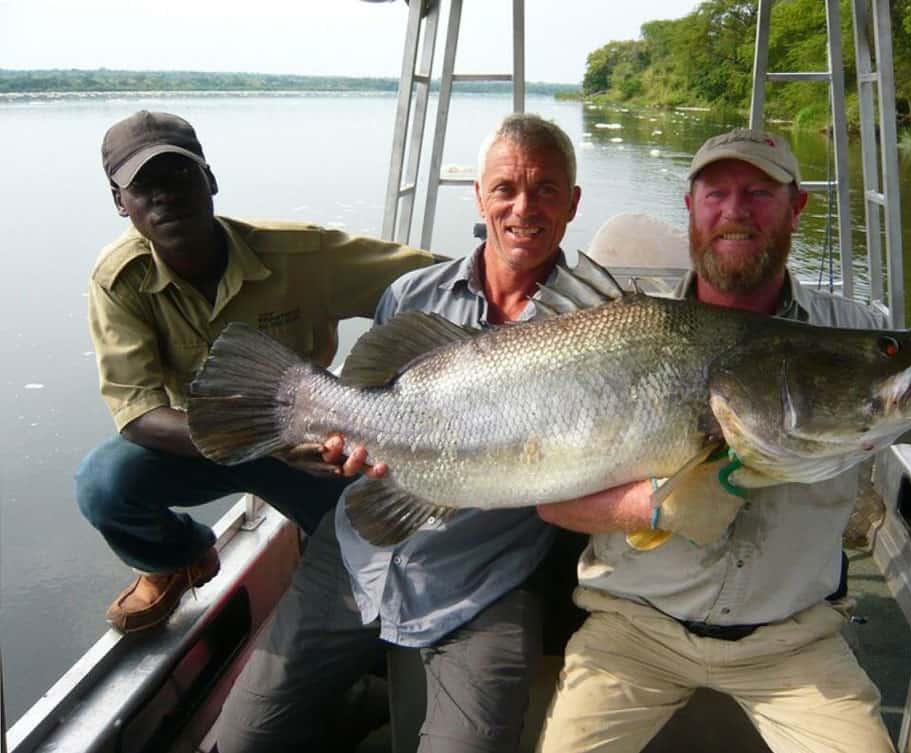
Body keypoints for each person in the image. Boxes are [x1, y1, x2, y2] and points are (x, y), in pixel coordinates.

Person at [532, 128, 911, 753]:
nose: (735, 211)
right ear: (690, 208)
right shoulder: (615, 338)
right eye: (716, 194)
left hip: (795, 644)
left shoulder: (856, 334)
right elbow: (552, 501)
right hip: (632, 631)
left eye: (758, 192)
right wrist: (660, 504)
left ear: (796, 207)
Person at [215, 113, 588, 753]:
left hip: (484, 578)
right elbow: (370, 399)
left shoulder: (593, 322)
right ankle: (360, 699)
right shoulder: (413, 293)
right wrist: (334, 448)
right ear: (479, 195)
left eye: (547, 189)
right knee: (243, 740)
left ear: (573, 202)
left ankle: (365, 699)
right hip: (359, 548)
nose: (524, 208)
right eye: (506, 188)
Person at [76, 110, 434, 634]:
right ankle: (178, 558)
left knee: (374, 554)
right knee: (103, 484)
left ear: (210, 179)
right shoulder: (120, 280)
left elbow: (435, 279)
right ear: (119, 202)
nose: (164, 195)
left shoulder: (301, 256)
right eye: (142, 185)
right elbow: (140, 417)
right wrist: (265, 441)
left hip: (310, 447)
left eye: (178, 175)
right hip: (194, 443)